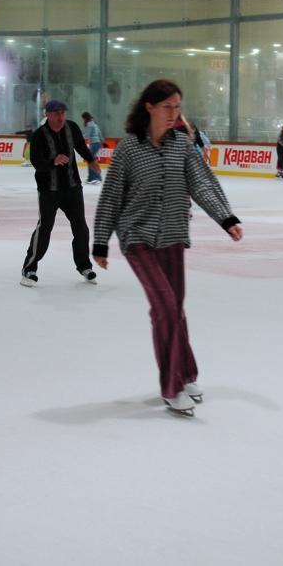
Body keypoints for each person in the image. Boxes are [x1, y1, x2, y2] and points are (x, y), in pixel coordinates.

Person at [93, 80, 242, 418]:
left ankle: (186, 373)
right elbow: (111, 196)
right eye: (167, 106)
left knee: (176, 309)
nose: (174, 113)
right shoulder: (129, 149)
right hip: (138, 238)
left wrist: (226, 217)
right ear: (149, 107)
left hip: (173, 236)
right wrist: (101, 241)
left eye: (177, 106)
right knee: (166, 308)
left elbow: (202, 182)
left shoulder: (182, 145)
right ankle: (172, 387)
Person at [21, 100, 99, 287]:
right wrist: (53, 161)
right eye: (56, 113)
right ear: (47, 115)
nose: (60, 117)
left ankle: (84, 266)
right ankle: (29, 268)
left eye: (63, 112)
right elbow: (37, 163)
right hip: (49, 190)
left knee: (80, 227)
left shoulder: (72, 128)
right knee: (45, 228)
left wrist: (91, 160)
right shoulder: (39, 135)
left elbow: (80, 146)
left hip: (72, 187)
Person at [81, 112, 103, 184]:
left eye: (83, 118)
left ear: (85, 118)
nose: (82, 120)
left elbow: (87, 134)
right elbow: (99, 133)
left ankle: (97, 177)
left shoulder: (89, 124)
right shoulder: (94, 123)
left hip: (94, 143)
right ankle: (90, 178)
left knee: (91, 161)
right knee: (90, 160)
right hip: (97, 143)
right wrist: (102, 141)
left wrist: (79, 138)